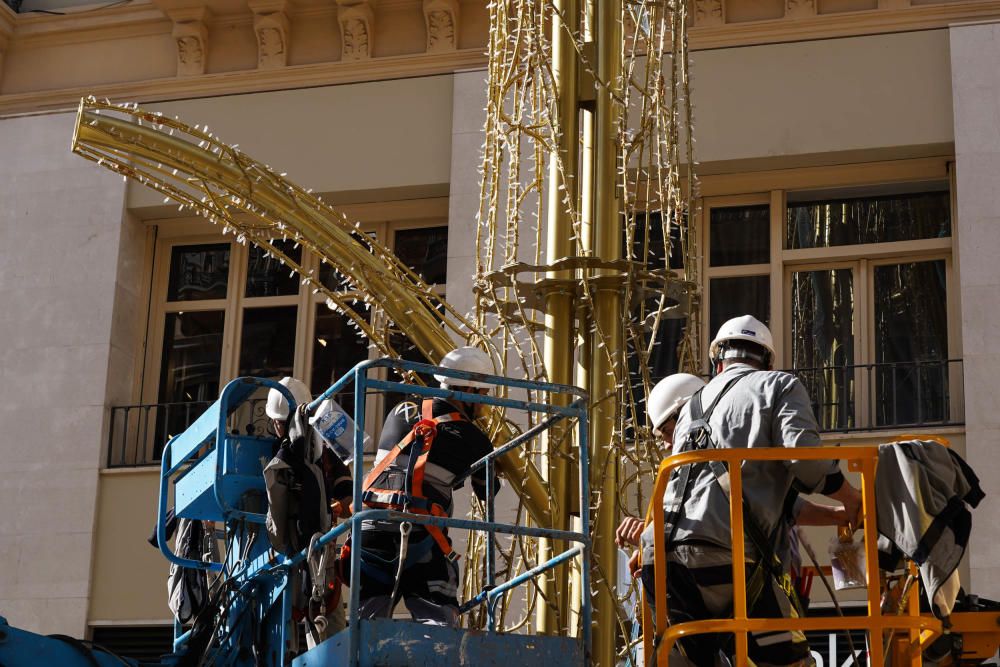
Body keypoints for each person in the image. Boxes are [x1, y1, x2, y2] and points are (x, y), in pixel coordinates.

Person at [638, 315, 862, 667]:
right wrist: (851, 498)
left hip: (661, 562)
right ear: (766, 360)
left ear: (718, 361)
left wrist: (835, 515)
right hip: (726, 561)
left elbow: (758, 496)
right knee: (791, 658)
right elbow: (806, 462)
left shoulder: (692, 406)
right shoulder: (778, 386)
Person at [355, 346, 500, 626]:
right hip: (422, 536)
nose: (484, 404)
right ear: (467, 392)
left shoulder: (401, 408)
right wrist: (494, 463)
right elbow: (487, 493)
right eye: (482, 395)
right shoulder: (475, 438)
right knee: (438, 622)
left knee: (367, 626)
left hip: (371, 529)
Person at [262, 377, 353, 648]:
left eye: (276, 422)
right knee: (323, 625)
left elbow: (347, 501)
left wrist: (333, 507)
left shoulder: (294, 454)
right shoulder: (306, 452)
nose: (276, 427)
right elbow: (348, 501)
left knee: (315, 622)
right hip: (311, 555)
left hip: (306, 554)